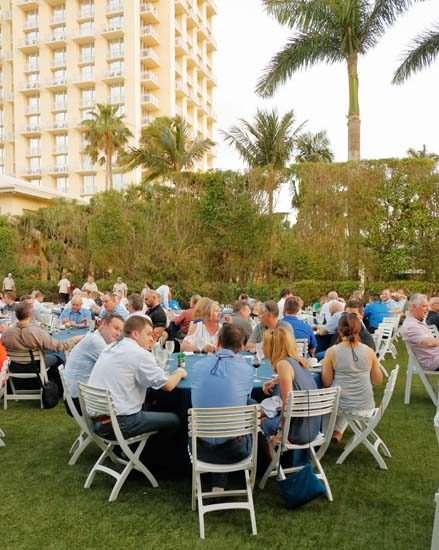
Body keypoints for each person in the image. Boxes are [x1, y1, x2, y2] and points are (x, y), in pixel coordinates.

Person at [87, 315, 187, 440]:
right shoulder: (138, 354)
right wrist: (179, 373)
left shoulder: (111, 347)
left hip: (96, 420)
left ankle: (140, 446)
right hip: (119, 424)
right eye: (148, 334)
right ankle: (156, 450)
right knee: (174, 420)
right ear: (135, 334)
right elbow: (168, 385)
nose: (151, 338)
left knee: (149, 399)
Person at [191, 324, 254, 490]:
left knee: (219, 409)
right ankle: (220, 480)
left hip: (199, 448)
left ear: (218, 341)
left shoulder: (198, 366)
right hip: (235, 450)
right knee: (250, 406)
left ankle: (217, 480)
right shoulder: (246, 370)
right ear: (241, 347)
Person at [322, 313, 382, 442]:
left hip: (342, 404)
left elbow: (326, 382)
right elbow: (377, 380)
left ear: (339, 330)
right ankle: (337, 432)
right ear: (359, 329)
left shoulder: (332, 352)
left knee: (327, 397)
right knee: (342, 395)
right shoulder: (369, 351)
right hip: (366, 404)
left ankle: (326, 434)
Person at [1, 302, 83, 393]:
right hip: (35, 366)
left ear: (16, 315)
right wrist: (75, 339)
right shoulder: (37, 332)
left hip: (13, 366)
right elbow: (60, 347)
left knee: (53, 353)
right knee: (58, 355)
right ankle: (59, 388)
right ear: (30, 314)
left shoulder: (6, 333)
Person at [261, 326, 320, 450]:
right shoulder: (298, 361)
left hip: (298, 432)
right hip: (313, 428)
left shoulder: (283, 364)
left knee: (259, 420)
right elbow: (295, 377)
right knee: (264, 413)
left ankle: (268, 458)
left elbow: (287, 404)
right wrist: (275, 380)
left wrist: (282, 431)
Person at [63, 314, 125, 415]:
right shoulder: (96, 342)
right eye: (116, 328)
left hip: (75, 396)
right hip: (79, 401)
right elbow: (118, 368)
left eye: (121, 331)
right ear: (103, 324)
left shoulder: (95, 337)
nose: (118, 334)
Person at [401, 293, 439, 371]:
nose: (428, 309)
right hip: (431, 361)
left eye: (428, 306)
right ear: (414, 307)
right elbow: (429, 342)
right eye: (424, 306)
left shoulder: (418, 319)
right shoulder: (411, 326)